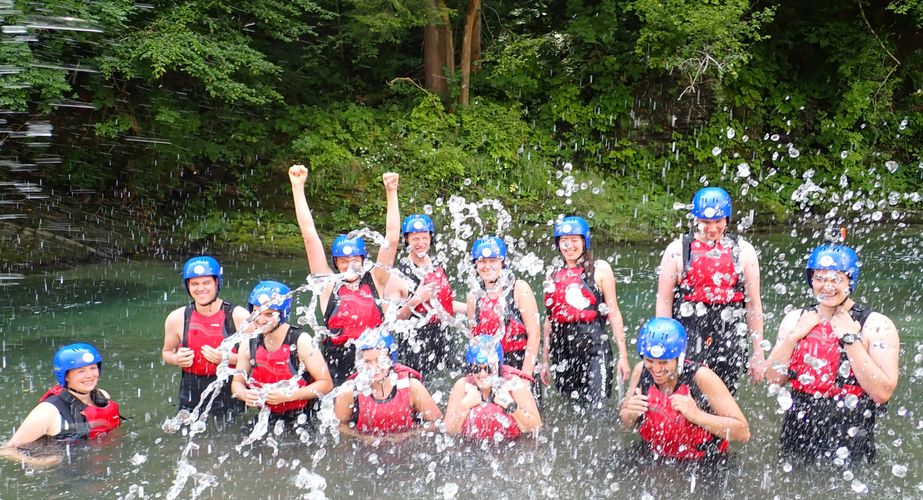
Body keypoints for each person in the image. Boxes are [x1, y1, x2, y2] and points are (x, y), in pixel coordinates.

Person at [766, 243, 899, 464]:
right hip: (797, 429)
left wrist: (850, 340)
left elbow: (882, 393)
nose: (827, 286)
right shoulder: (795, 320)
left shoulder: (875, 325)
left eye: (836, 279)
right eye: (820, 278)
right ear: (811, 280)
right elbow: (772, 379)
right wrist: (794, 337)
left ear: (850, 280)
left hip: (851, 433)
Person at [289, 164, 400, 385]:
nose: (350, 266)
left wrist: (391, 192)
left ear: (363, 261)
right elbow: (310, 236)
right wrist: (297, 187)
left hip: (373, 361)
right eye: (343, 261)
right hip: (337, 364)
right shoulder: (328, 285)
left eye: (355, 260)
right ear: (336, 263)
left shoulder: (377, 280)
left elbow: (393, 237)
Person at [655, 187, 766, 394]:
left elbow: (753, 304)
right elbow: (664, 301)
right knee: (686, 396)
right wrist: (664, 348)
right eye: (706, 222)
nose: (712, 229)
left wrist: (758, 352)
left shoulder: (744, 252)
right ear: (696, 219)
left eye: (718, 221)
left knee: (724, 400)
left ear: (727, 219)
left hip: (729, 335)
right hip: (688, 332)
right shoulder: (677, 250)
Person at [620, 318, 749, 461]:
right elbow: (625, 422)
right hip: (654, 455)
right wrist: (630, 414)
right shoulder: (641, 370)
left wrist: (697, 415)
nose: (656, 369)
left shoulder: (702, 377)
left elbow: (743, 432)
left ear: (679, 359)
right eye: (650, 361)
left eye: (664, 362)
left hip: (703, 461)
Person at [542, 215, 630, 407]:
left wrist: (623, 356)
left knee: (598, 409)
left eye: (574, 240)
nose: (569, 246)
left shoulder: (600, 269)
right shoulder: (552, 273)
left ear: (584, 241)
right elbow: (549, 320)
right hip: (562, 351)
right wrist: (544, 359)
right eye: (564, 241)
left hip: (594, 349)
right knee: (571, 408)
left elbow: (613, 312)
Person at [232, 281, 333, 428]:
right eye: (256, 312)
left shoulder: (301, 341)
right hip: (266, 415)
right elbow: (237, 383)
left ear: (283, 314)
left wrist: (289, 396)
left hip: (302, 416)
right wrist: (244, 394)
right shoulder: (248, 344)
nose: (260, 319)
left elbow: (326, 384)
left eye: (269, 314)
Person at [1, 343, 121, 466]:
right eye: (81, 371)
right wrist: (38, 462)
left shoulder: (102, 397)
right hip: (68, 474)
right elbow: (7, 450)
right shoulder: (47, 412)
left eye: (93, 368)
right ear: (66, 376)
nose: (90, 375)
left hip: (100, 462)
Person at [162, 256, 247, 418]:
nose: (200, 289)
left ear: (217, 283)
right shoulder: (176, 318)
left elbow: (256, 359)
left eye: (206, 283)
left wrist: (228, 358)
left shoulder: (238, 316)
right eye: (194, 284)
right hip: (190, 389)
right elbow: (167, 353)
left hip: (230, 387)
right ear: (187, 286)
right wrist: (176, 359)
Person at [384, 213, 461, 376]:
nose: (421, 243)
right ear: (406, 240)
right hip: (416, 343)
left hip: (444, 336)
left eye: (425, 238)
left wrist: (474, 309)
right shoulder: (397, 276)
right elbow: (391, 320)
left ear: (431, 239)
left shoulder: (438, 265)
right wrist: (416, 299)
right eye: (415, 239)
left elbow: (447, 304)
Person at [332, 330, 442, 441]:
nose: (374, 367)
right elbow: (339, 426)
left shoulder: (412, 387)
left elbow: (437, 423)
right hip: (366, 450)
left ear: (390, 359)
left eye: (379, 360)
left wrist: (409, 435)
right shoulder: (349, 392)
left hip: (407, 447)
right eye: (367, 362)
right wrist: (363, 438)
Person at [466, 236, 541, 376]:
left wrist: (525, 376)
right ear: (475, 265)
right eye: (482, 261)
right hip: (487, 367)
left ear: (503, 262)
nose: (487, 266)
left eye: (493, 261)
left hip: (518, 362)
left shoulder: (519, 288)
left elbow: (535, 335)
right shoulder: (473, 296)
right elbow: (474, 340)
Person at [444, 335, 542, 440]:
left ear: (499, 367)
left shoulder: (513, 385)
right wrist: (463, 407)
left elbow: (536, 427)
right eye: (477, 368)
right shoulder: (463, 386)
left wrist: (511, 406)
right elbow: (448, 430)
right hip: (471, 447)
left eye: (488, 368)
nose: (482, 374)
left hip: (511, 446)